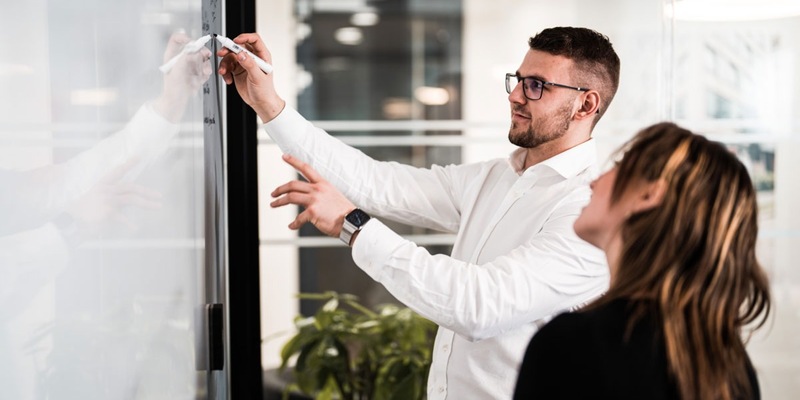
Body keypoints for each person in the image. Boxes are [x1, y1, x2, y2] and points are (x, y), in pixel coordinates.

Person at [218, 27, 620, 399]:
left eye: (537, 86)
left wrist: (352, 225)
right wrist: (268, 104)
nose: (516, 95)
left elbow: (479, 306)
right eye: (518, 81)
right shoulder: (497, 178)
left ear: (585, 104)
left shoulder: (588, 209)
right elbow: (376, 182)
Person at [513, 122, 772, 399]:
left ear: (648, 195)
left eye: (621, 165)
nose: (594, 180)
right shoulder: (730, 367)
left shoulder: (571, 346)